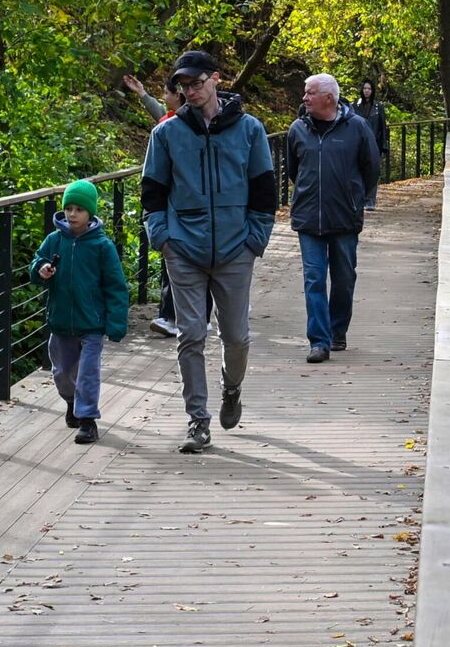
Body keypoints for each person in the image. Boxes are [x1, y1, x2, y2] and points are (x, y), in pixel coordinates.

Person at [140, 50, 277, 454]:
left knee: (236, 337)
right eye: (184, 86)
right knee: (191, 335)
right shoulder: (166, 134)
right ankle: (197, 422)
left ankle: (231, 388)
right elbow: (152, 193)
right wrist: (162, 237)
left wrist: (256, 239)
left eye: (197, 83)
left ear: (215, 79)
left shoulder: (250, 130)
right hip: (184, 248)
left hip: (236, 248)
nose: (190, 92)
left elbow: (265, 191)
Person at [286, 74, 380, 363]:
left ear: (329, 98)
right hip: (308, 218)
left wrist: (355, 197)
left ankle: (338, 331)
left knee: (343, 278)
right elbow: (293, 170)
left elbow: (371, 167)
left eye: (310, 93)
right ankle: (319, 341)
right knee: (313, 279)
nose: (304, 98)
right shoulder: (297, 129)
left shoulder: (357, 128)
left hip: (344, 216)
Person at [28, 179, 130, 445]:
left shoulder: (102, 246)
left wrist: (116, 323)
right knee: (61, 372)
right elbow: (37, 265)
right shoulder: (54, 240)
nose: (72, 214)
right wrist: (41, 270)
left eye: (79, 209)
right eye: (69, 208)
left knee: (88, 372)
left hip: (91, 323)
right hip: (61, 321)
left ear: (90, 213)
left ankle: (87, 420)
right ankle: (71, 401)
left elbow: (116, 286)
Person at [127, 73, 184, 337]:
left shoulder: (183, 125)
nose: (164, 97)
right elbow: (162, 115)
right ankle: (171, 315)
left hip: (177, 205)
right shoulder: (175, 121)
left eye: (166, 92)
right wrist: (142, 94)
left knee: (176, 263)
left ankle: (172, 316)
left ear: (178, 95)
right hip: (170, 208)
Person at [353, 81, 391, 209]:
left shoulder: (378, 107)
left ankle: (370, 200)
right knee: (358, 171)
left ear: (373, 90)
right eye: (364, 88)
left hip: (374, 144)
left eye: (369, 88)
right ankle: (359, 198)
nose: (367, 91)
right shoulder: (355, 106)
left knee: (373, 172)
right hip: (358, 144)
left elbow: (383, 127)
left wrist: (384, 145)